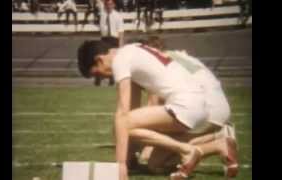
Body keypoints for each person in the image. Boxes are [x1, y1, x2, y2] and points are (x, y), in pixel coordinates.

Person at [77, 39, 238, 180]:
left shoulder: (120, 60)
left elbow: (123, 114)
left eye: (98, 74)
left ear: (99, 59)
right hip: (198, 104)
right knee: (155, 164)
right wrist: (128, 157)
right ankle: (218, 142)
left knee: (121, 124)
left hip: (187, 105)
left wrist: (120, 166)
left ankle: (187, 150)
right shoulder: (133, 50)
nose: (103, 79)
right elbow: (133, 108)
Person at [130, 36, 238, 177]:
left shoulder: (157, 65)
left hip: (205, 111)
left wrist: (144, 146)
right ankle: (218, 137)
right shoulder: (180, 55)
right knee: (164, 150)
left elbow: (153, 107)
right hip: (219, 107)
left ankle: (217, 141)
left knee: (154, 164)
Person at [94, 0, 124, 86]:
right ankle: (98, 78)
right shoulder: (102, 15)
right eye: (107, 4)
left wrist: (120, 46)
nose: (108, 6)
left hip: (114, 39)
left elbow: (121, 32)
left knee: (113, 61)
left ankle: (111, 79)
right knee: (101, 59)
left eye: (110, 4)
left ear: (114, 5)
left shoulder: (118, 16)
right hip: (104, 39)